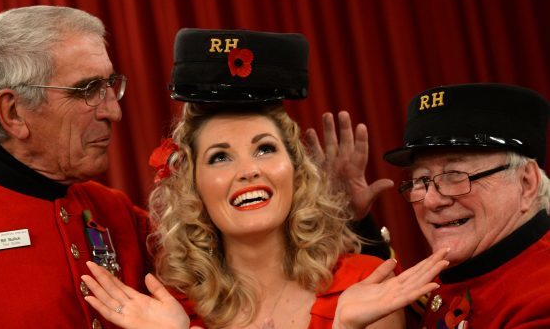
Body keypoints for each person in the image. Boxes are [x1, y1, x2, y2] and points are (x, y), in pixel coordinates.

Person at [80, 29, 449, 329]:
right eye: (220, 156)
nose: (248, 170)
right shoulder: (166, 314)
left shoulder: (367, 286)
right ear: (193, 187)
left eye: (265, 149)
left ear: (297, 169)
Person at [0, 5, 151, 328]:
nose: (113, 112)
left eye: (110, 85)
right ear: (14, 112)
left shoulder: (115, 210)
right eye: (88, 90)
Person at [383, 83, 550, 328]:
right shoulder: (468, 267)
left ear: (526, 183)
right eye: (421, 180)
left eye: (455, 175)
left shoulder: (542, 299)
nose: (430, 200)